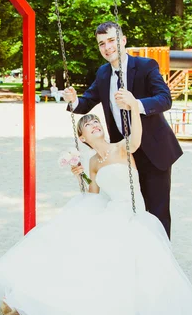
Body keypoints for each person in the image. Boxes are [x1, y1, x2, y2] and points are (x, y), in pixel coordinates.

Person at [0, 106, 192, 315]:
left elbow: (136, 137)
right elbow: (93, 195)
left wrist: (132, 106)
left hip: (132, 216)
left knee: (118, 261)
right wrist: (80, 177)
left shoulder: (122, 147)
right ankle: (33, 305)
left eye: (96, 121)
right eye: (88, 125)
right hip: (110, 212)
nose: (95, 124)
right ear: (82, 138)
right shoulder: (92, 162)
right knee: (76, 248)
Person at [63, 21, 182, 239]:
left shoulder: (146, 66)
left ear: (123, 40)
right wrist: (73, 101)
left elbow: (165, 98)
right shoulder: (102, 74)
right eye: (101, 44)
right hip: (121, 154)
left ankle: (161, 260)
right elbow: (86, 101)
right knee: (129, 210)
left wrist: (135, 104)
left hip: (154, 151)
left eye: (111, 40)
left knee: (156, 211)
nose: (107, 47)